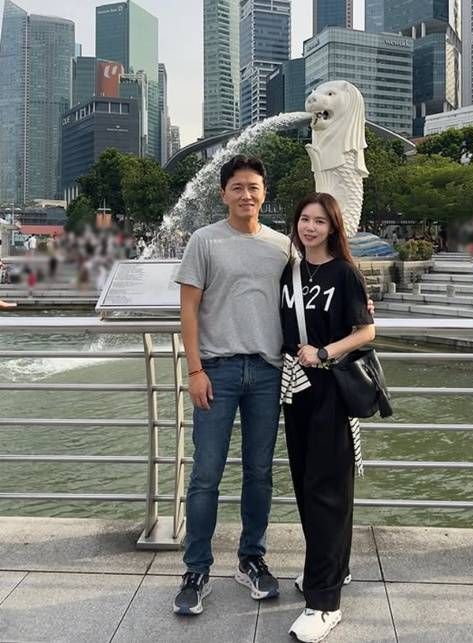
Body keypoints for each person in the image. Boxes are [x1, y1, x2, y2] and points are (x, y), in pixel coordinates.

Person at [172, 155, 289, 615]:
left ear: (264, 193)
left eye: (253, 187)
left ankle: (251, 559)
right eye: (237, 187)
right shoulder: (204, 240)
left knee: (260, 472)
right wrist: (194, 370)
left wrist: (362, 306)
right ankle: (196, 569)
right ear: (223, 194)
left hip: (267, 371)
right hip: (216, 370)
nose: (246, 195)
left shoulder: (282, 245)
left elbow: (310, 293)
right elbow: (188, 309)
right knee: (206, 474)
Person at [280, 193, 375, 642]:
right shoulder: (291, 271)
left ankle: (324, 603)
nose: (310, 227)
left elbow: (366, 330)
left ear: (333, 227)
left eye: (320, 221)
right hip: (295, 390)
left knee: (328, 490)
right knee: (306, 483)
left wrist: (323, 352)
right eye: (304, 219)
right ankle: (331, 568)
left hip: (331, 389)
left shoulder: (345, 272)